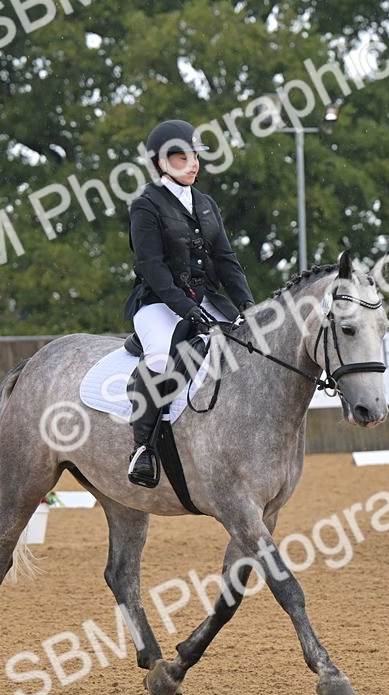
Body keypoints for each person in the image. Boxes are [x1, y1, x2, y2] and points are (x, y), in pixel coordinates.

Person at [123, 119, 256, 487]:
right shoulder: (146, 206)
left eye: (195, 156)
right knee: (161, 361)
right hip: (158, 303)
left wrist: (247, 304)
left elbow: (226, 259)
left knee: (251, 348)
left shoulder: (206, 203)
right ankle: (143, 449)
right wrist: (185, 308)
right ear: (161, 164)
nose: (193, 163)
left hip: (208, 300)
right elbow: (150, 266)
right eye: (182, 158)